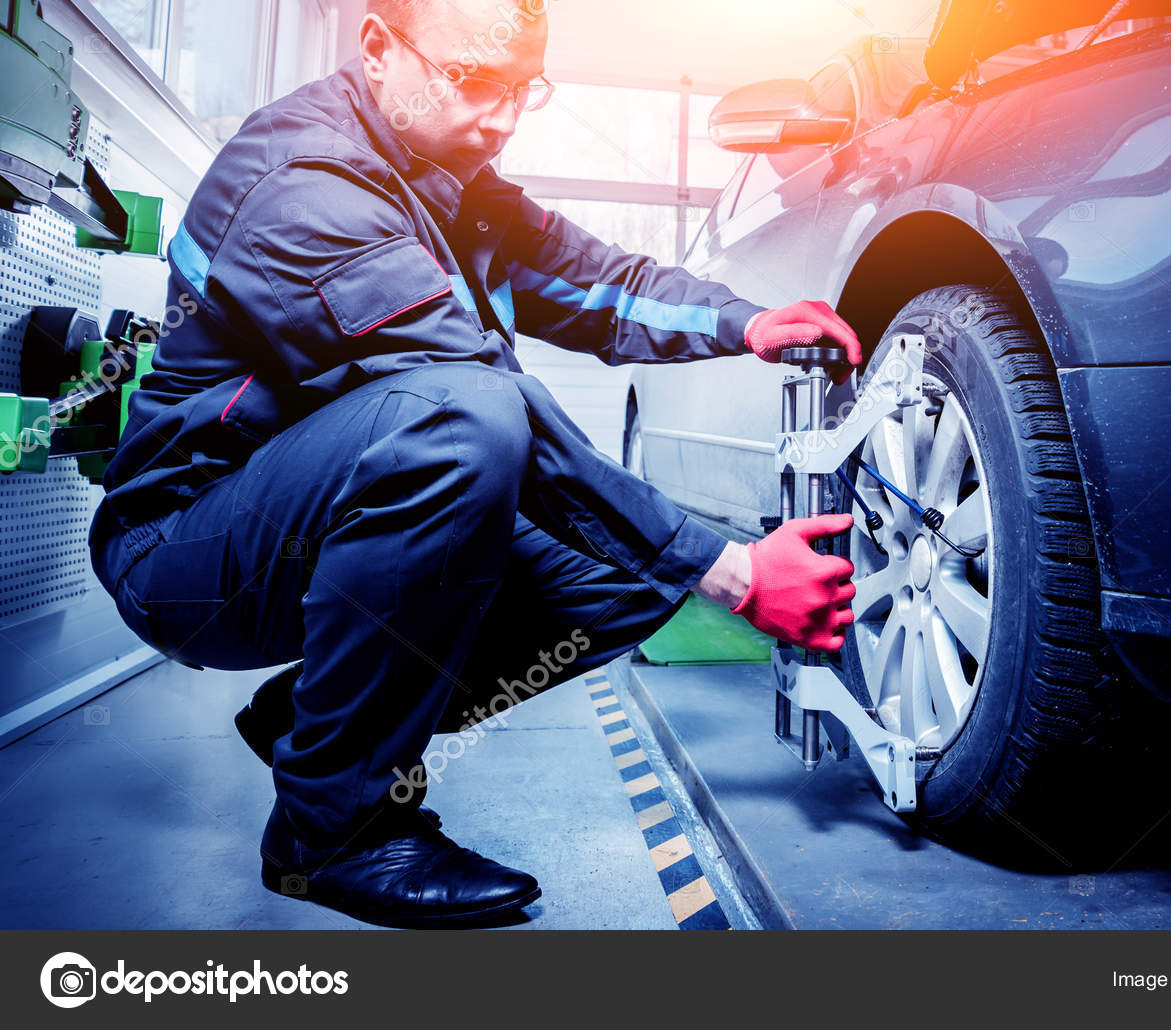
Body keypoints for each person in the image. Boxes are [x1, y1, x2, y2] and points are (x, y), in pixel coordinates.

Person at [87, 0, 861, 928]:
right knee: (471, 415)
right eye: (473, 81)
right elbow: (483, 407)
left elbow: (595, 280)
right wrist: (733, 573)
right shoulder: (302, 182)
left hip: (314, 520)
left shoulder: (448, 175)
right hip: (187, 555)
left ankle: (315, 728)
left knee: (624, 584)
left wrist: (748, 321)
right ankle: (333, 834)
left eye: (522, 89)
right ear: (378, 48)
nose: (499, 118)